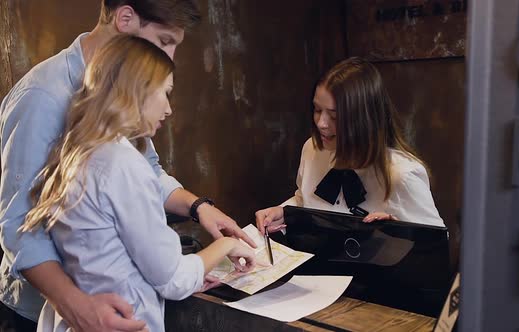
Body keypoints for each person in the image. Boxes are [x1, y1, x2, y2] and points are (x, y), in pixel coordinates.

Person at [0, 1, 255, 331]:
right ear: (125, 18)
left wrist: (198, 207)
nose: (170, 58)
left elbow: (147, 172)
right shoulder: (42, 96)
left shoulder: (117, 110)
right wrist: (77, 305)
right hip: (43, 312)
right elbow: (19, 225)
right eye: (164, 42)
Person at [256, 57, 445, 234]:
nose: (321, 123)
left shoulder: (402, 175)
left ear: (364, 119)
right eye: (317, 110)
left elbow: (435, 248)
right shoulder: (312, 150)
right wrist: (284, 211)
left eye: (334, 116)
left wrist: (398, 234)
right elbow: (304, 200)